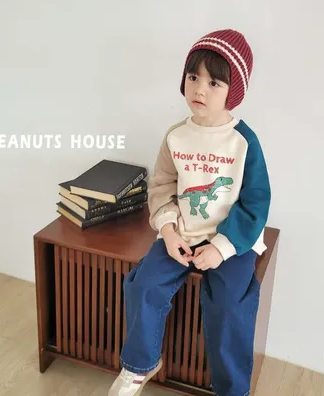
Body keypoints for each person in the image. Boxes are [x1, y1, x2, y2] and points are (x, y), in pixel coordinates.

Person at [108, 28, 271, 396]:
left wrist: (222, 248)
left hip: (232, 240)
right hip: (183, 233)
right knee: (144, 284)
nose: (200, 89)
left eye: (214, 82)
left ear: (233, 91)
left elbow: (256, 201)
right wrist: (168, 231)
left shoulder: (244, 141)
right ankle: (139, 366)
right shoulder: (176, 136)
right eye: (193, 76)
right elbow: (162, 187)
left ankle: (231, 390)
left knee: (229, 305)